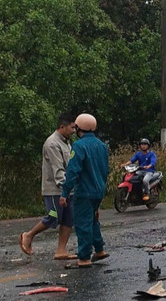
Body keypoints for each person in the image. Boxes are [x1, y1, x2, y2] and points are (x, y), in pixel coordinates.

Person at [18, 113, 77, 260]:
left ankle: (61, 250)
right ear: (62, 127)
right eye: (72, 127)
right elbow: (58, 170)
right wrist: (65, 189)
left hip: (67, 188)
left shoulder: (66, 142)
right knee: (53, 216)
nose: (74, 130)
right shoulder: (52, 143)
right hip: (55, 189)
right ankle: (28, 235)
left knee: (69, 219)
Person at [60, 113, 110, 268]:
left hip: (84, 192)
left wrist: (64, 193)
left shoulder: (79, 146)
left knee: (83, 223)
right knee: (94, 220)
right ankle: (99, 249)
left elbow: (72, 171)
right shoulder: (102, 146)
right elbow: (106, 169)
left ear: (79, 128)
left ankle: (84, 257)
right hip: (99, 190)